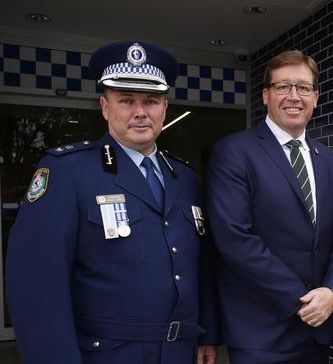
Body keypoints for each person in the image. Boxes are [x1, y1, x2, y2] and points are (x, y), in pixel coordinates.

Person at [5, 41, 220, 364]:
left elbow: (199, 265)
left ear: (165, 108)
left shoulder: (185, 177)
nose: (140, 112)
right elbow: (36, 287)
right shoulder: (68, 171)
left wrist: (208, 334)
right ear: (105, 107)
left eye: (150, 101)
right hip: (109, 354)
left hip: (179, 351)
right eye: (126, 101)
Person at [205, 49, 333, 364]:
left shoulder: (328, 161)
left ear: (315, 97)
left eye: (303, 88)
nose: (293, 96)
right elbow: (235, 238)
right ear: (265, 95)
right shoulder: (233, 152)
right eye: (282, 87)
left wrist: (332, 292)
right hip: (261, 333)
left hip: (317, 331)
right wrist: (303, 300)